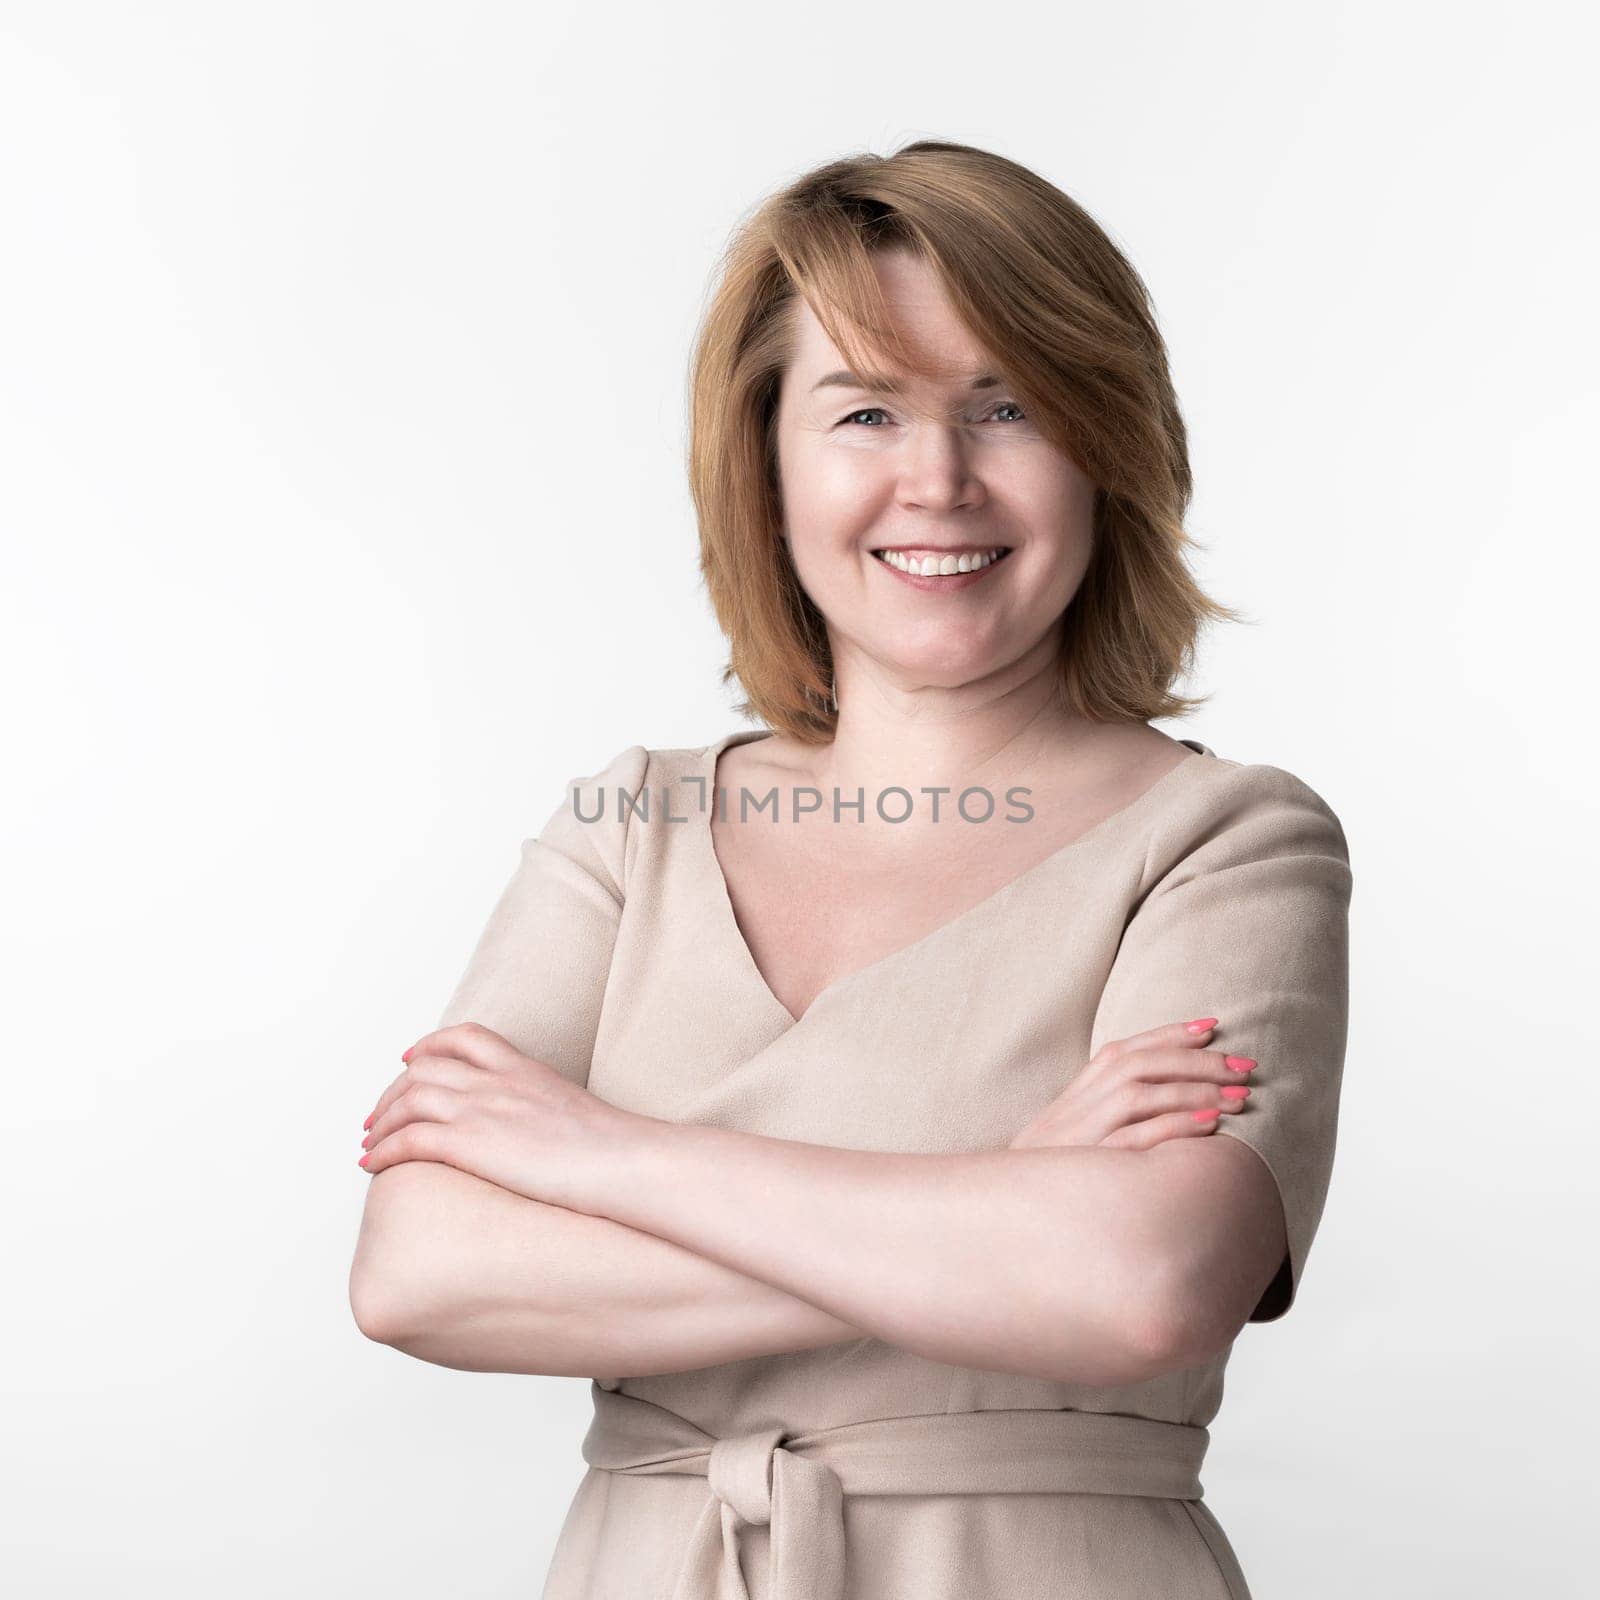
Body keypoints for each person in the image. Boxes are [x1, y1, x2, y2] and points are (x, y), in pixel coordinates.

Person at [349, 139, 1353, 1600]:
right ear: (763, 465)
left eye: (1008, 407)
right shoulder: (627, 829)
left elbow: (1139, 1289)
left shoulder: (1234, 843)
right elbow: (418, 1271)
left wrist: (605, 1159)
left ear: (1106, 451)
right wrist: (1000, 1198)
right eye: (866, 411)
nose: (936, 480)